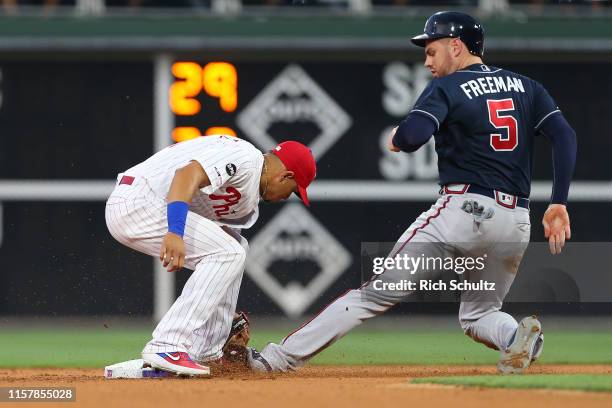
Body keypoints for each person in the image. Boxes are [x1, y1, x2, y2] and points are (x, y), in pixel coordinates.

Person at [246, 11, 577, 375]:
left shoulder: (447, 87)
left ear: (456, 46)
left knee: (371, 295)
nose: (427, 61)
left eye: (432, 50)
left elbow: (414, 135)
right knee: (480, 315)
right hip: (515, 222)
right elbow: (564, 135)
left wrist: (397, 139)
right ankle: (517, 335)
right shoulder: (528, 86)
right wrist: (558, 200)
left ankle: (274, 361)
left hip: (462, 213)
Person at [105, 135, 316, 376]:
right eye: (292, 190)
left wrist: (223, 319)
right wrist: (175, 231)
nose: (288, 197)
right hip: (138, 201)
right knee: (229, 252)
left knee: (236, 247)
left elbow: (224, 257)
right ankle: (166, 345)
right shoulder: (245, 158)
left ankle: (207, 350)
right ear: (285, 176)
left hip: (153, 204)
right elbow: (185, 175)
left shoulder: (247, 199)